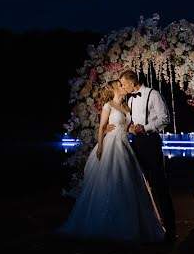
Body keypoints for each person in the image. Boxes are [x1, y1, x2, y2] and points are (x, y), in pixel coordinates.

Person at [57, 79, 165, 244]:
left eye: (123, 84)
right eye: (120, 85)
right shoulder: (108, 105)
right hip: (110, 144)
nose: (122, 87)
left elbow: (126, 127)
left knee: (127, 180)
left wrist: (133, 129)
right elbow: (102, 127)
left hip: (124, 144)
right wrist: (100, 146)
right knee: (108, 178)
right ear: (114, 88)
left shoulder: (127, 106)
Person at [111, 70, 177, 243]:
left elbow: (165, 118)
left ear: (133, 82)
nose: (122, 86)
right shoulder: (130, 99)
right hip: (135, 144)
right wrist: (128, 128)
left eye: (124, 83)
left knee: (159, 185)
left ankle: (171, 231)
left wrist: (145, 128)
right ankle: (145, 227)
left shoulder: (153, 94)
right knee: (138, 185)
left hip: (150, 142)